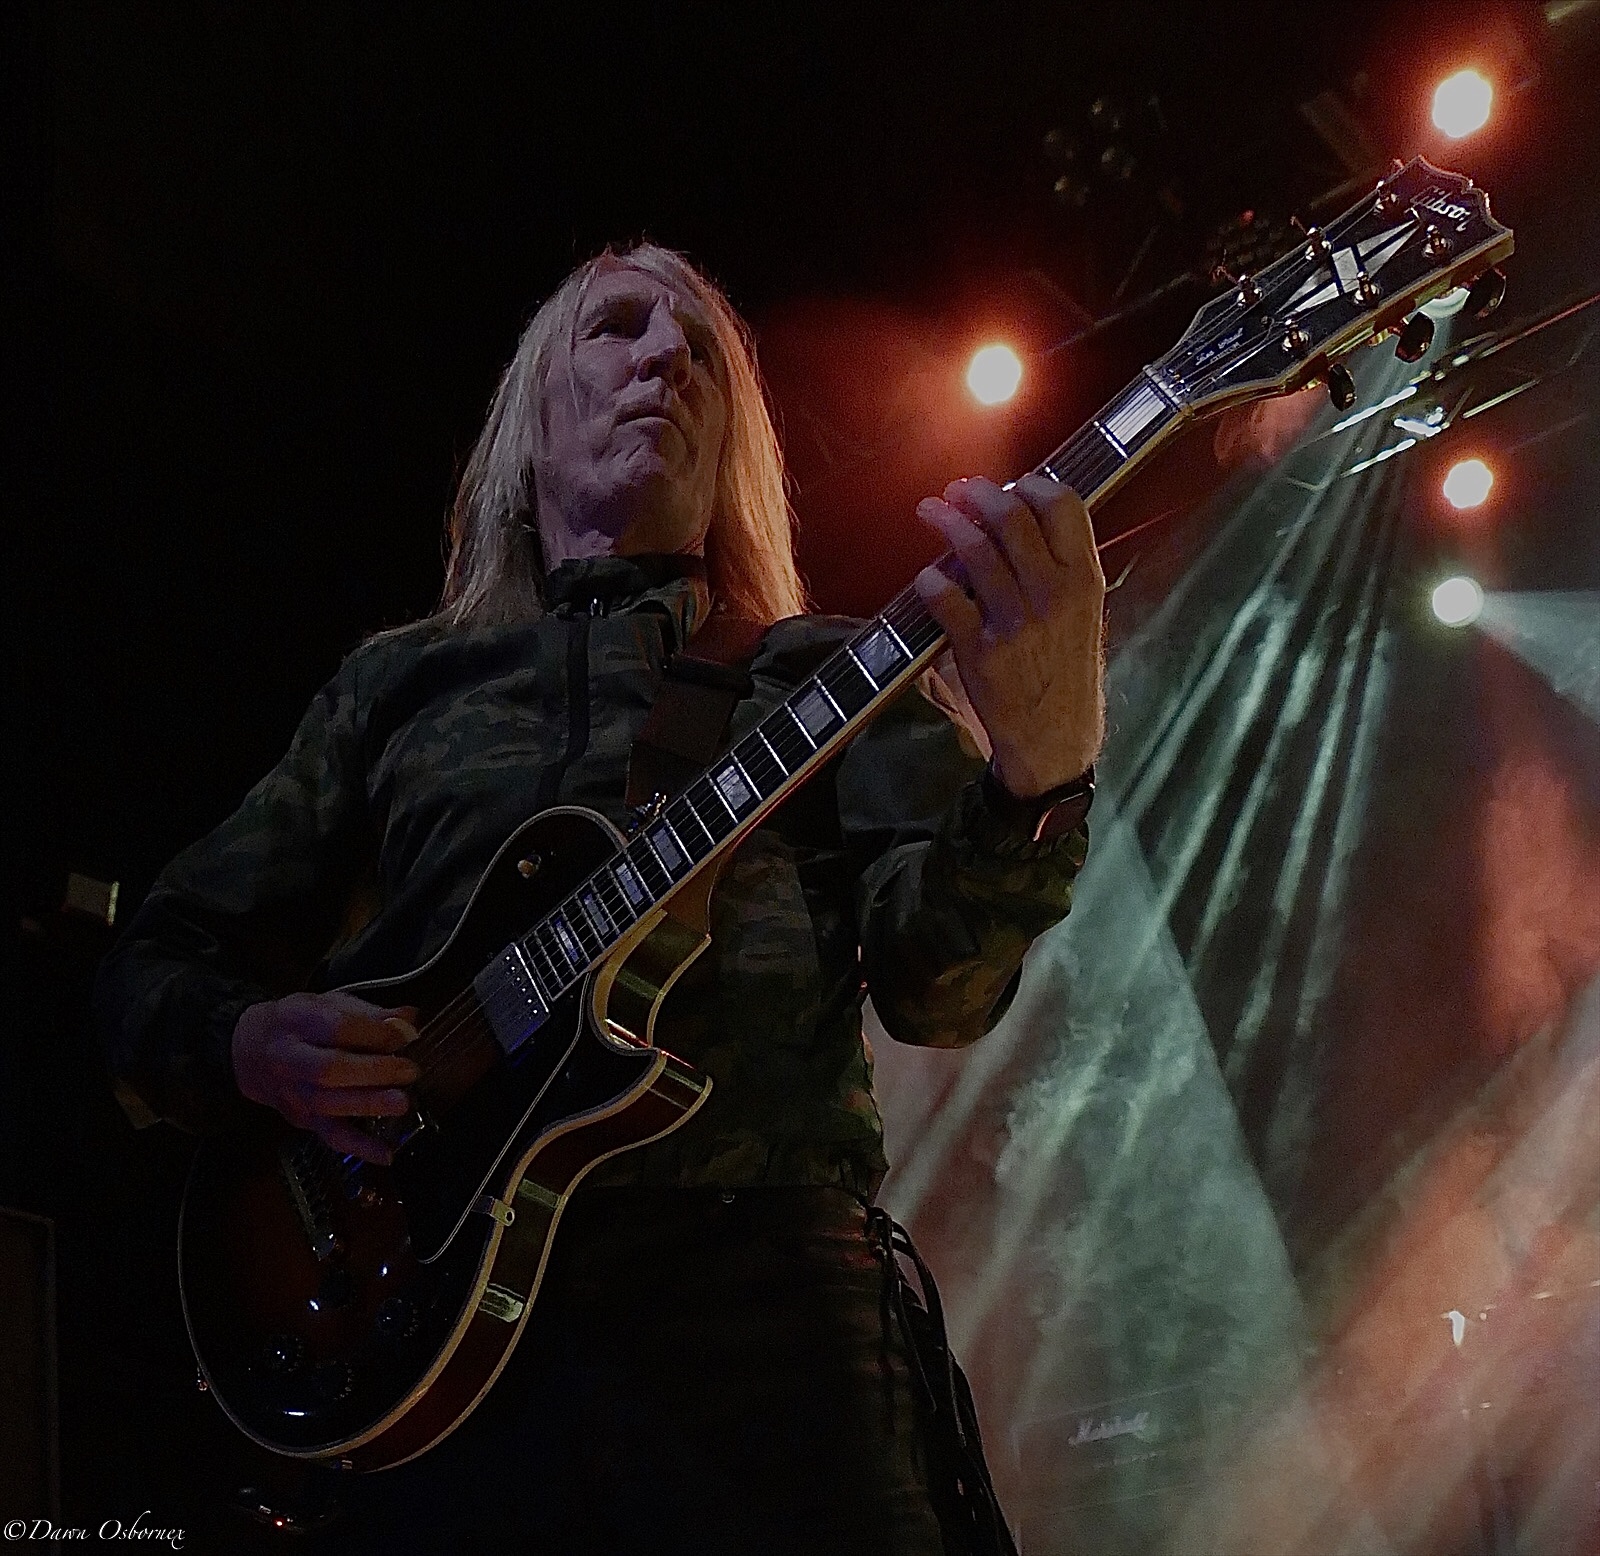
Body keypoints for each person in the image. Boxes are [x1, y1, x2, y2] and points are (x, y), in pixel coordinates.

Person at [95, 242, 1106, 1555]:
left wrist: (1040, 781)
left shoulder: (828, 675)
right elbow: (154, 962)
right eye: (618, 326)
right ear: (530, 418)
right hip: (428, 1342)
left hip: (767, 1331)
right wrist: (248, 1045)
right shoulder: (400, 689)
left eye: (704, 354)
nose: (667, 356)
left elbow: (942, 991)